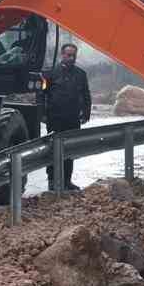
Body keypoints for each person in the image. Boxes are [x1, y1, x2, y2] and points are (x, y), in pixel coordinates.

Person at [45, 43, 90, 190]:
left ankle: (66, 181)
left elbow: (86, 95)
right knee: (52, 149)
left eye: (73, 55)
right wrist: (43, 115)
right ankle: (52, 181)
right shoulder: (50, 74)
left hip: (72, 118)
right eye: (68, 55)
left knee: (70, 149)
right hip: (55, 118)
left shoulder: (81, 74)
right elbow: (41, 95)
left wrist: (86, 113)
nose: (71, 58)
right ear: (62, 55)